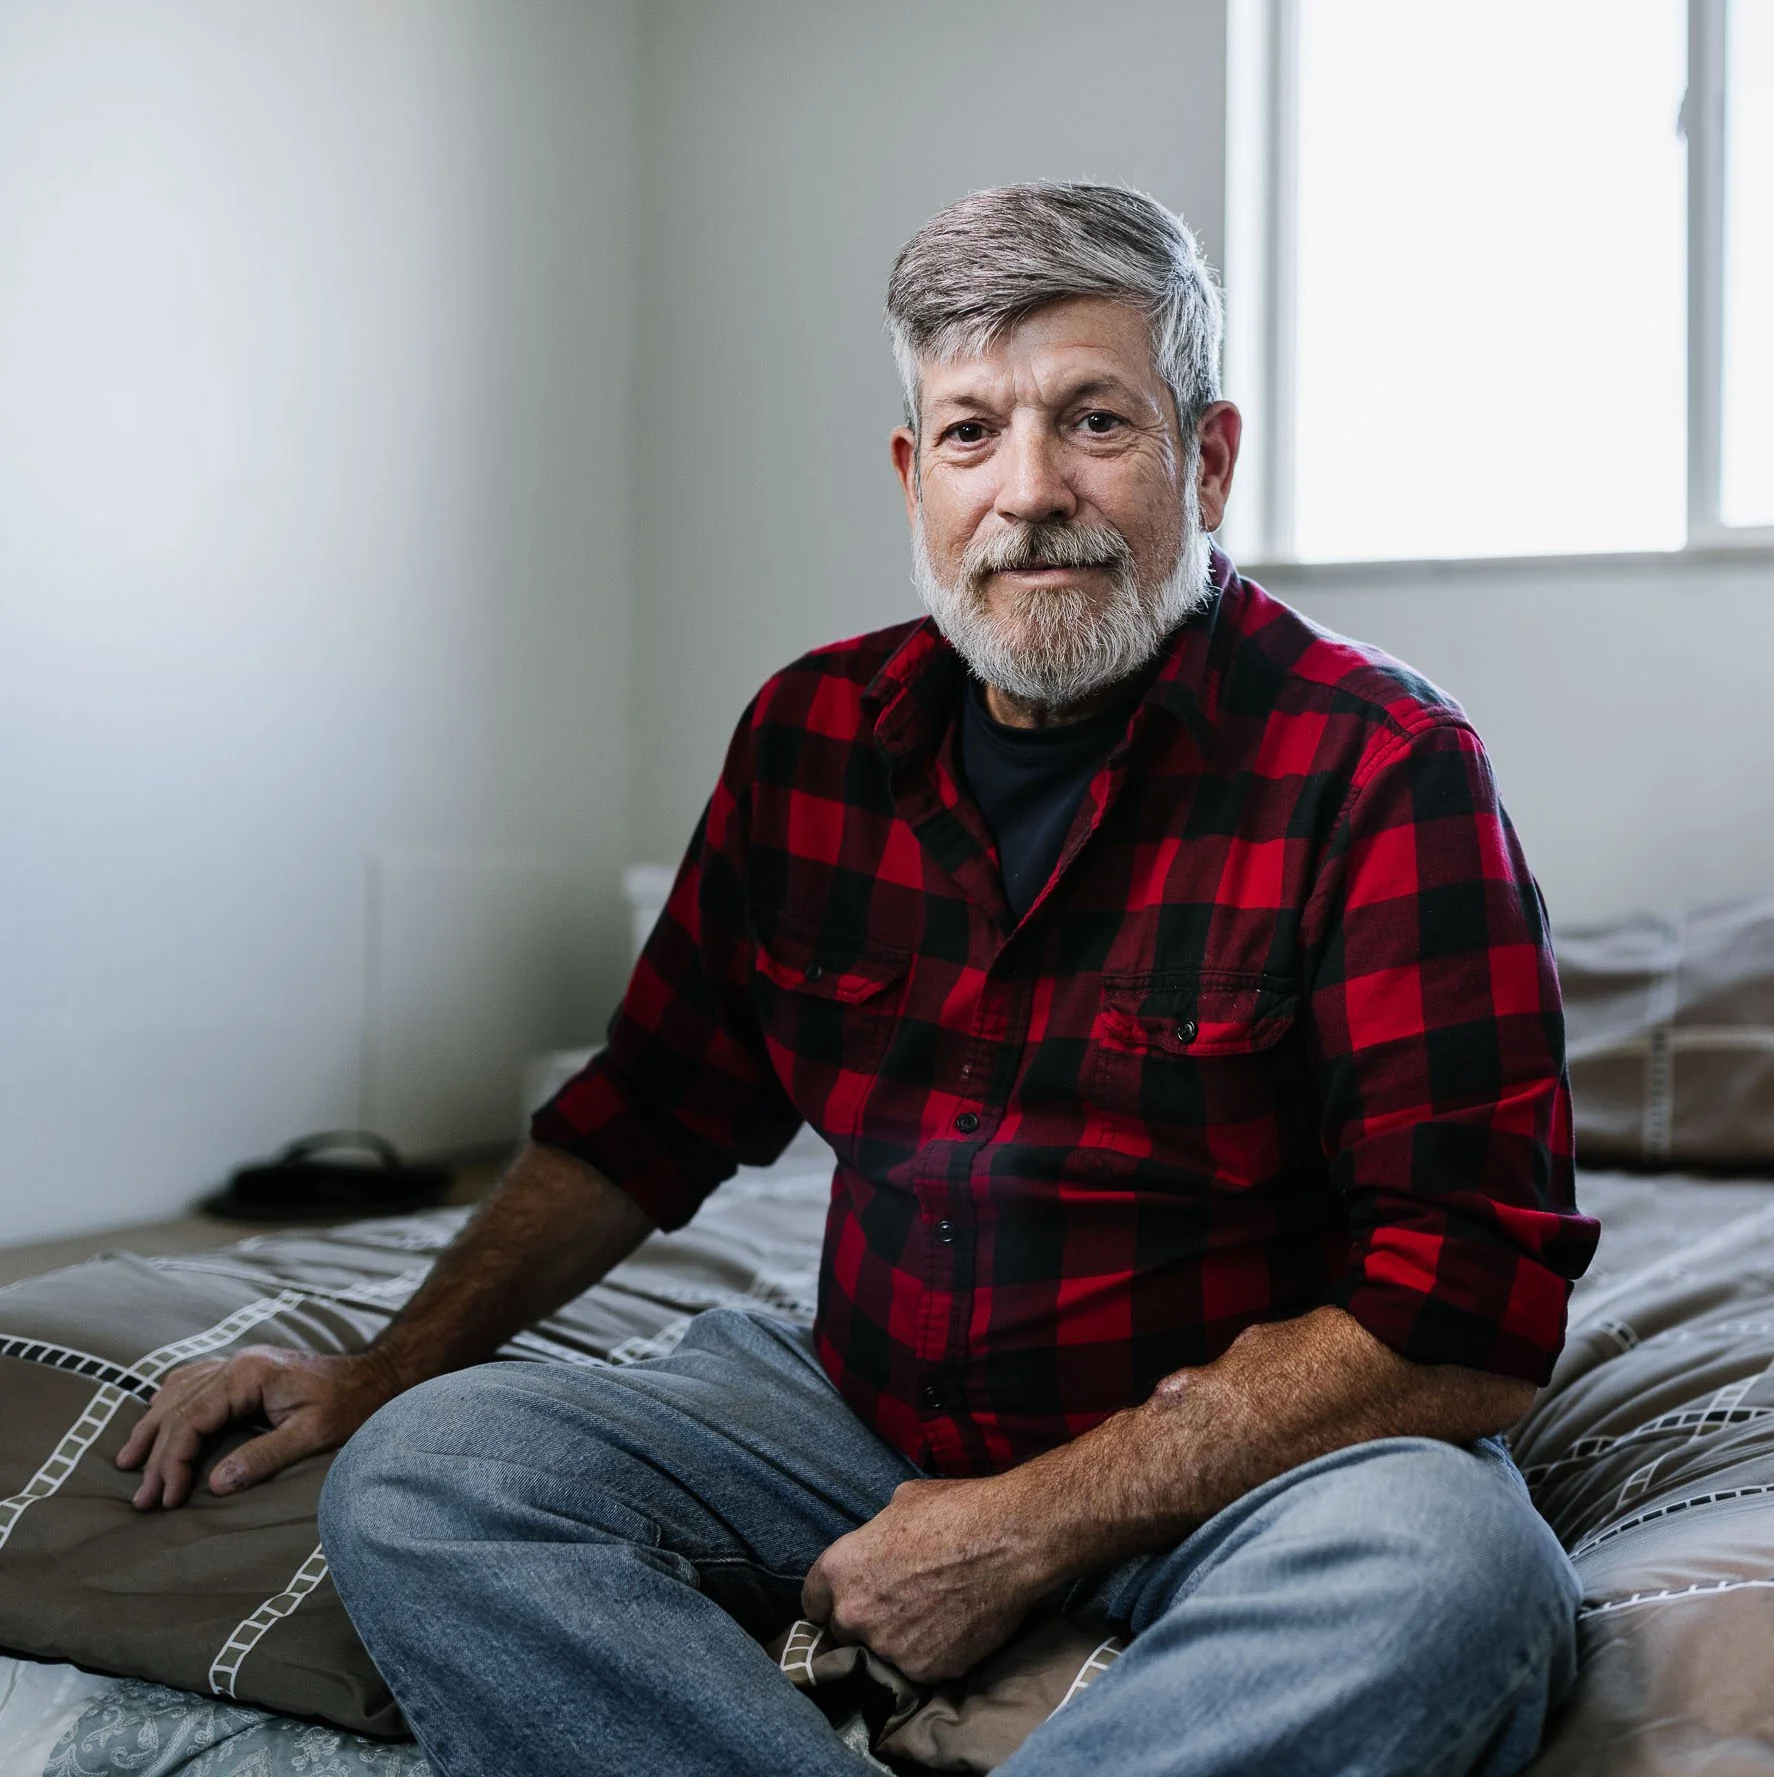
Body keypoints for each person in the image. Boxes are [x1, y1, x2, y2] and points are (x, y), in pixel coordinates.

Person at [116, 182, 1598, 1777]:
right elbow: (644, 1116)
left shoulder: (1381, 768)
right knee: (423, 1477)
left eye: (1095, 422)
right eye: (972, 434)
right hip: (853, 1409)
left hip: (1237, 1468)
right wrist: (384, 1370)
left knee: (1460, 1576)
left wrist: (1022, 1527)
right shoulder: (809, 736)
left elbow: (1465, 1311)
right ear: (914, 477)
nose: (1030, 494)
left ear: (1208, 458)